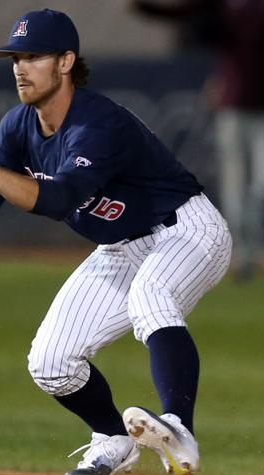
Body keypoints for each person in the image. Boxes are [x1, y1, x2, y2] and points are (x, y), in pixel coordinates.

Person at [0, 8, 232, 475]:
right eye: (15, 57)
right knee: (51, 362)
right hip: (121, 246)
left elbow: (57, 199)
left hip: (185, 229)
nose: (20, 66)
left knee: (150, 298)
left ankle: (179, 427)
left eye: (33, 56)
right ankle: (111, 438)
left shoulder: (98, 124)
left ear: (65, 62)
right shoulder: (19, 125)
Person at [130, 0, 264, 280]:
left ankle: (254, 247)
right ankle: (244, 255)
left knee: (260, 187)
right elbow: (185, 12)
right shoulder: (225, 6)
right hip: (234, 104)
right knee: (236, 187)